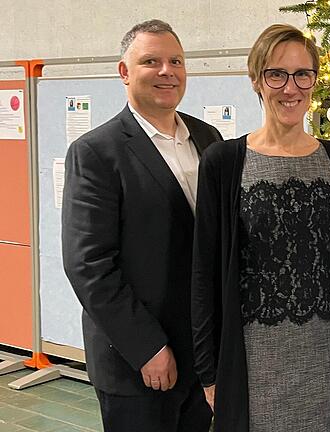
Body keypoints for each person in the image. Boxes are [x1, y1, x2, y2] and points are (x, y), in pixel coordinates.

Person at [190, 24, 330, 432]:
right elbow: (204, 273)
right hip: (252, 357)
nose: (291, 88)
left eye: (303, 74)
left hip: (324, 353)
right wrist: (209, 371)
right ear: (256, 81)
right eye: (276, 74)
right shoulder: (224, 162)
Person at [62, 19, 222, 432]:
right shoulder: (97, 152)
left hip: (203, 356)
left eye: (176, 61)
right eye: (152, 61)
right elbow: (89, 265)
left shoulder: (209, 139)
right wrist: (148, 347)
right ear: (124, 72)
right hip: (138, 362)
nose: (167, 71)